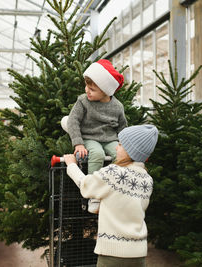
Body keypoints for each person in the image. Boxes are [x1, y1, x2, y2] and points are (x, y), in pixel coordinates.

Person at [64, 124, 159, 267]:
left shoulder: (114, 173)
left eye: (120, 144)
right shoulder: (147, 179)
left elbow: (86, 186)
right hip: (138, 254)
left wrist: (71, 165)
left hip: (113, 253)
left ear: (130, 150)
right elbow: (128, 207)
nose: (116, 148)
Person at [61, 59, 128, 214]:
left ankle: (117, 190)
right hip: (89, 138)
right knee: (96, 154)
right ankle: (94, 195)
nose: (87, 91)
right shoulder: (83, 101)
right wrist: (78, 143)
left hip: (110, 139)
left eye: (92, 89)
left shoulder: (117, 107)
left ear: (106, 90)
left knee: (121, 157)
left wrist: (124, 145)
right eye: (86, 86)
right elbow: (73, 121)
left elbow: (122, 128)